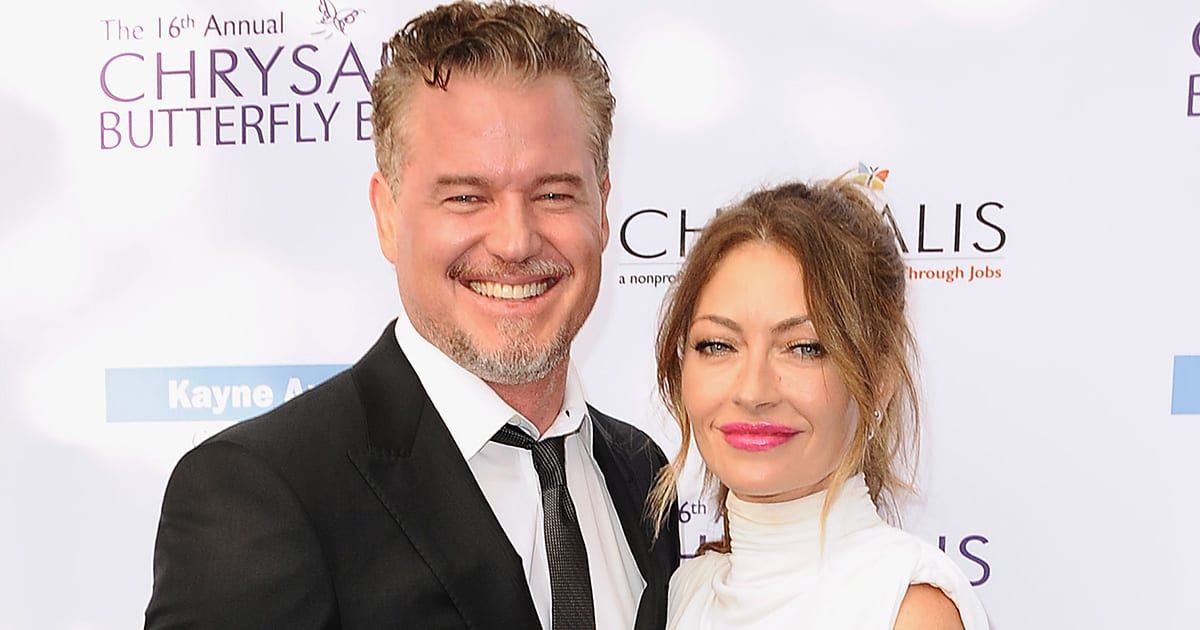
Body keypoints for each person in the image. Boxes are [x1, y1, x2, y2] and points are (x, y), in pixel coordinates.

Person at [144, 3, 679, 629]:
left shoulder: (642, 473)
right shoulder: (260, 494)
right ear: (388, 215)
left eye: (554, 194)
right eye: (466, 197)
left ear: (603, 207)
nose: (515, 241)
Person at [649, 180, 988, 629]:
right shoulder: (685, 591)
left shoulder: (907, 608)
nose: (753, 391)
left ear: (879, 380)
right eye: (718, 345)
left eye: (804, 348)